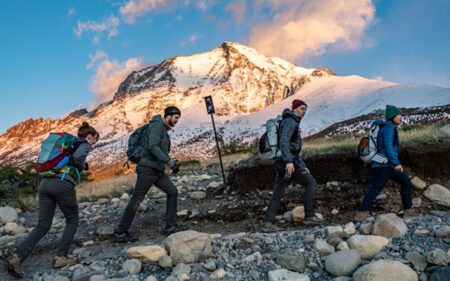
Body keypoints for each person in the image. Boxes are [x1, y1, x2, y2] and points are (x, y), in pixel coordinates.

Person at [6, 122, 99, 278]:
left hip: (45, 184)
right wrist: (81, 165)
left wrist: (80, 164)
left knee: (43, 225)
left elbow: (72, 158)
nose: (93, 144)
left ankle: (17, 258)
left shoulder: (67, 146)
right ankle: (61, 257)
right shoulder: (83, 144)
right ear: (89, 136)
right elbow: (77, 158)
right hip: (62, 183)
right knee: (72, 220)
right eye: (94, 141)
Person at [113, 106, 187, 243]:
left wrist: (170, 163)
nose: (177, 121)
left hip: (157, 170)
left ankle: (170, 226)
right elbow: (153, 147)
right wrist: (169, 161)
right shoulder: (157, 126)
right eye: (176, 118)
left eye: (178, 118)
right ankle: (120, 232)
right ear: (168, 116)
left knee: (172, 191)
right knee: (136, 200)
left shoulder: (162, 129)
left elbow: (157, 149)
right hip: (148, 169)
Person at [264, 99, 324, 230]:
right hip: (287, 161)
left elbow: (293, 149)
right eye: (302, 109)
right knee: (310, 183)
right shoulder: (291, 122)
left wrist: (302, 165)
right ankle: (309, 216)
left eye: (305, 110)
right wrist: (289, 161)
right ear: (295, 108)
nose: (304, 112)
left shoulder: (289, 121)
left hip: (282, 160)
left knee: (278, 191)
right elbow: (284, 143)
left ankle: (268, 222)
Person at [355, 105, 420, 221]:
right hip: (384, 164)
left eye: (401, 115)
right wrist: (396, 163)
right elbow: (389, 147)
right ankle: (362, 212)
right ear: (392, 116)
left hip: (386, 165)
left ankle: (408, 210)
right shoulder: (389, 128)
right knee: (375, 188)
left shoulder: (387, 127)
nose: (401, 117)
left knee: (405, 181)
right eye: (398, 115)